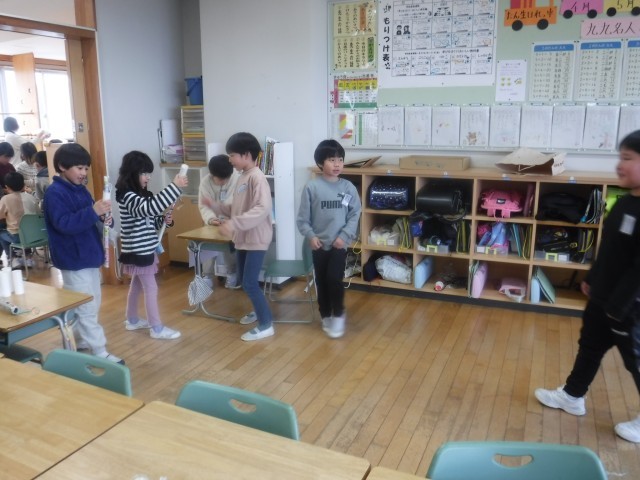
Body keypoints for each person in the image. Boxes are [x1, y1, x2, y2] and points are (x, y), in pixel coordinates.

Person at [534, 130, 640, 443]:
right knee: (590, 346)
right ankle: (572, 395)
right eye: (620, 157)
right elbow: (609, 249)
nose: (619, 165)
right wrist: (592, 278)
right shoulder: (624, 203)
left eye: (628, 158)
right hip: (603, 299)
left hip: (628, 307)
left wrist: (620, 306)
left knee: (635, 360)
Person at [42, 143, 124, 364]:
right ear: (62, 166)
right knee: (86, 306)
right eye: (79, 168)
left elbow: (92, 218)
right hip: (73, 259)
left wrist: (103, 217)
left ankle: (78, 342)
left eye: (86, 168)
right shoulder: (55, 193)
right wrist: (93, 211)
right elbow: (64, 224)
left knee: (91, 302)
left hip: (88, 256)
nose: (83, 173)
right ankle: (99, 350)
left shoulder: (81, 190)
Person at [202, 132, 274, 341]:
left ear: (246, 155)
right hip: (243, 238)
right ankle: (259, 311)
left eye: (232, 155)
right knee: (244, 280)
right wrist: (216, 207)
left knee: (250, 282)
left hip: (256, 239)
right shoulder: (243, 176)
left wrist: (234, 224)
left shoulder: (257, 177)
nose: (230, 159)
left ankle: (266, 324)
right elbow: (237, 208)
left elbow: (262, 208)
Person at [115, 150, 188, 340]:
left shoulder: (139, 195)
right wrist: (174, 186)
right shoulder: (128, 196)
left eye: (149, 173)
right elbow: (148, 208)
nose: (148, 177)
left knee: (137, 286)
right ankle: (156, 328)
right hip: (139, 250)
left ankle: (132, 319)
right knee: (151, 288)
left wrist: (163, 220)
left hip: (143, 248)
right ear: (132, 173)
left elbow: (149, 219)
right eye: (144, 173)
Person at [296, 139, 361, 338]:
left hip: (339, 244)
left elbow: (355, 214)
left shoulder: (348, 187)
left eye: (340, 160)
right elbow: (302, 220)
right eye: (332, 160)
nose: (337, 164)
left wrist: (344, 236)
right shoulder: (312, 187)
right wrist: (310, 236)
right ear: (320, 162)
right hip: (319, 245)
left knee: (334, 278)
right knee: (322, 282)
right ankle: (325, 314)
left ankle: (338, 314)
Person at [198, 153, 241, 289]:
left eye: (225, 179)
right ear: (212, 174)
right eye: (219, 179)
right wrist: (211, 219)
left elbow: (234, 202)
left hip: (231, 221)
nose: (223, 182)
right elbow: (203, 205)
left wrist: (225, 219)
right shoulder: (205, 182)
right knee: (206, 245)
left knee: (229, 247)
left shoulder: (237, 178)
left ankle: (232, 273)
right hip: (212, 222)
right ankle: (207, 276)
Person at [0, 172, 40, 269]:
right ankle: (28, 257)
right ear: (23, 185)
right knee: (25, 228)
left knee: (1, 234)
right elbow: (38, 214)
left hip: (17, 237)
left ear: (7, 187)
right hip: (35, 235)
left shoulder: (5, 199)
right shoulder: (31, 197)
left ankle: (13, 258)